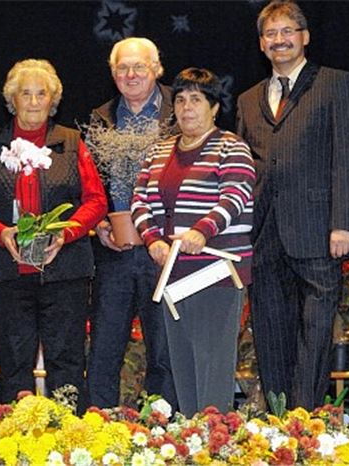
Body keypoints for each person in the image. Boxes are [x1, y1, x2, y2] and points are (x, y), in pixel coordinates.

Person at [236, 0, 349, 410]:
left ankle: (305, 418)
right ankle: (278, 422)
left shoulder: (336, 83)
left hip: (319, 231)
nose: (280, 40)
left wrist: (343, 223)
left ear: (305, 37)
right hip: (264, 235)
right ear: (261, 44)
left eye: (287, 31)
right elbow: (245, 169)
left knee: (315, 334)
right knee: (271, 333)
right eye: (271, 34)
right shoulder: (247, 99)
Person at [0, 59, 106, 411]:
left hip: (65, 271)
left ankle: (70, 440)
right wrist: (1, 233)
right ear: (13, 99)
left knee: (67, 361)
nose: (35, 101)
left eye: (42, 94)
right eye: (26, 93)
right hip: (10, 273)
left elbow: (96, 201)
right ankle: (17, 440)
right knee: (14, 361)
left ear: (53, 99)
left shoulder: (71, 142)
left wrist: (64, 234)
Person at [132, 68, 255, 416]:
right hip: (172, 273)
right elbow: (139, 199)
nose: (187, 108)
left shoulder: (232, 147)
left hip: (216, 272)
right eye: (181, 100)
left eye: (197, 100)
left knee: (212, 366)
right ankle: (192, 438)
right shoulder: (159, 151)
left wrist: (203, 230)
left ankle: (215, 442)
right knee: (182, 366)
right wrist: (152, 239)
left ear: (214, 107)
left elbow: (235, 196)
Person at [86, 37, 178, 410]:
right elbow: (88, 182)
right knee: (104, 349)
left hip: (164, 250)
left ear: (157, 69)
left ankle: (164, 431)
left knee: (164, 350)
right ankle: (99, 428)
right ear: (112, 74)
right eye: (122, 68)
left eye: (139, 66)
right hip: (115, 252)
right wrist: (98, 224)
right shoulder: (100, 118)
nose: (130, 74)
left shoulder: (181, 109)